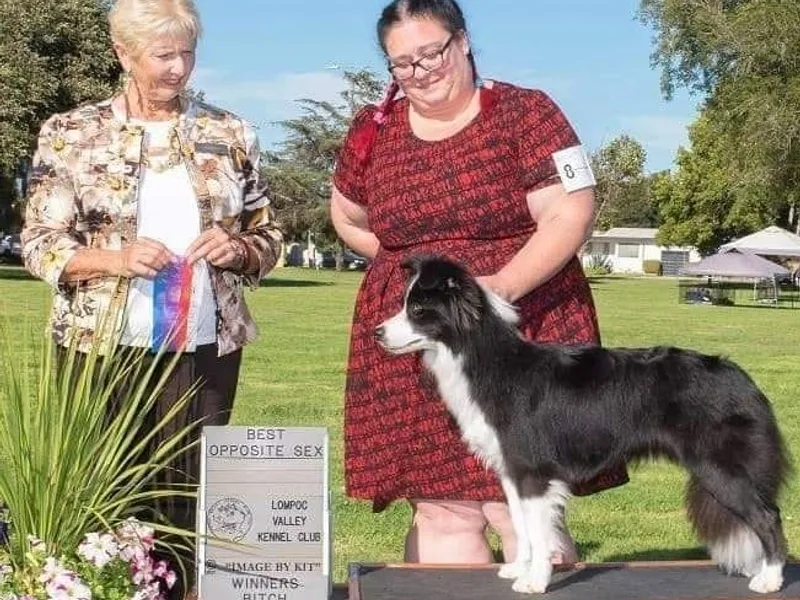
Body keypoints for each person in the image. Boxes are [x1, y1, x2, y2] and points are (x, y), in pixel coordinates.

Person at [331, 0, 629, 566]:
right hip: (416, 342)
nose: (420, 72)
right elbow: (347, 217)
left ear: (463, 42)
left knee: (516, 501)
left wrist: (498, 288)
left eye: (431, 53)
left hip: (523, 330)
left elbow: (571, 210)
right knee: (441, 507)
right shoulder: (374, 130)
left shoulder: (527, 113)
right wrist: (423, 277)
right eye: (402, 64)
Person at [21, 0, 281, 597]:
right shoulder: (69, 133)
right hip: (98, 347)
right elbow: (39, 243)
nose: (178, 68)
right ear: (123, 53)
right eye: (163, 54)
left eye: (188, 52)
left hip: (205, 345)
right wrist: (114, 258)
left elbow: (270, 238)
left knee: (190, 490)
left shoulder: (231, 131)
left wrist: (237, 248)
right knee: (101, 491)